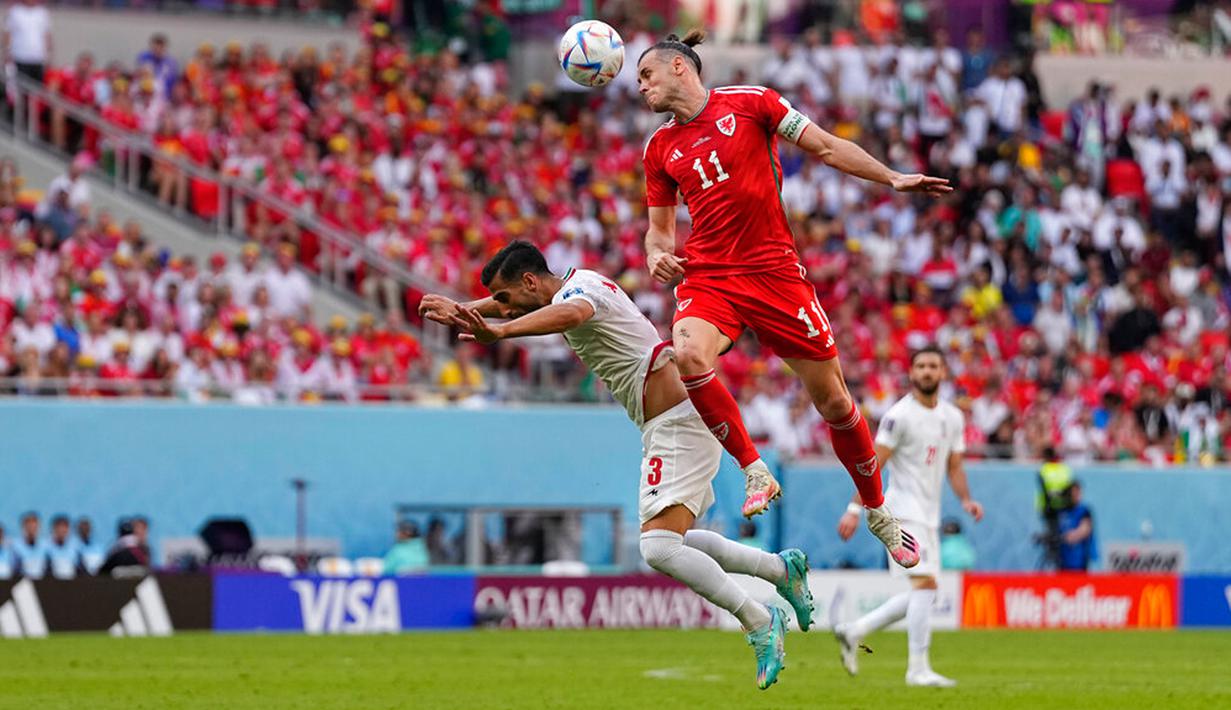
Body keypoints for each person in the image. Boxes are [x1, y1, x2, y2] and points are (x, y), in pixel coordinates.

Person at [420, 241, 815, 690]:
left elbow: (569, 316)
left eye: (507, 298)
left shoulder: (579, 294)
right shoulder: (570, 283)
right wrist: (466, 308)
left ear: (531, 282)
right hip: (665, 423)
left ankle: (759, 620)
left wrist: (499, 333)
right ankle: (781, 571)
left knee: (659, 549)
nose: (503, 309)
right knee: (675, 539)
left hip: (676, 422)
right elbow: (516, 304)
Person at [636, 30, 948, 563]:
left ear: (679, 69)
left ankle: (877, 511)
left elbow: (827, 146)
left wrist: (891, 177)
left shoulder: (752, 102)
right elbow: (659, 233)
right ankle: (755, 469)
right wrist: (655, 255)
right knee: (686, 354)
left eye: (646, 75)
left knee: (834, 401)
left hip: (775, 273)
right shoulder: (659, 149)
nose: (640, 86)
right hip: (711, 277)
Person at [832, 346, 984, 687]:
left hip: (929, 515)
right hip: (902, 512)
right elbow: (873, 464)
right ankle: (917, 669)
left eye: (933, 366)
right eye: (921, 366)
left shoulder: (952, 417)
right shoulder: (899, 416)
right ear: (912, 373)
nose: (927, 371)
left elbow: (955, 466)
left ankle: (855, 630)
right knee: (926, 585)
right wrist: (855, 508)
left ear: (943, 372)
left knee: (922, 590)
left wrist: (967, 500)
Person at [1057, 481, 1096, 571]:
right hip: (1063, 557)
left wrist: (1072, 536)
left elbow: (1085, 529)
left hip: (1080, 558)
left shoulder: (1084, 511)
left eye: (1078, 493)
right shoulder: (1062, 512)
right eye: (1073, 493)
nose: (1076, 496)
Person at [11, 511, 48, 579]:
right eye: (28, 524)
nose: (31, 527)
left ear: (39, 526)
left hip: (44, 584)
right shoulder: (15, 547)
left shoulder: (46, 546)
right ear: (23, 526)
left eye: (34, 524)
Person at [46, 513, 78, 579]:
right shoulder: (46, 547)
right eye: (59, 527)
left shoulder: (75, 548)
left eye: (65, 527)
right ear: (54, 528)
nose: (61, 530)